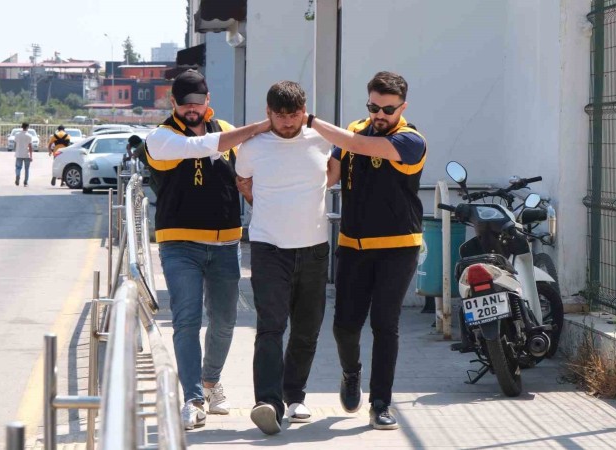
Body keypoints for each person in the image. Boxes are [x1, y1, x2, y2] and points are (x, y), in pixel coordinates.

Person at [144, 69, 271, 431]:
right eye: (185, 104)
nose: (192, 110)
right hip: (179, 244)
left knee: (226, 321)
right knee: (187, 320)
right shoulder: (161, 137)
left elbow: (250, 168)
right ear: (173, 103)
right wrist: (257, 127)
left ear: (208, 101)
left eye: (198, 103)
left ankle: (211, 382)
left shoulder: (225, 130)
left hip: (226, 243)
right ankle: (193, 398)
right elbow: (198, 148)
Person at [305, 71, 427, 430]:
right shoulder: (354, 130)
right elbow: (330, 175)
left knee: (384, 324)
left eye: (387, 109)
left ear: (402, 107)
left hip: (398, 246)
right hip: (353, 245)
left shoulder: (411, 140)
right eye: (373, 107)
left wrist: (312, 121)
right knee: (344, 325)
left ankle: (381, 403)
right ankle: (351, 372)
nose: (379, 115)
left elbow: (360, 146)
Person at [235, 81, 332, 435]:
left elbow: (333, 173)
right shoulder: (252, 146)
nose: (288, 122)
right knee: (270, 326)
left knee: (307, 329)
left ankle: (295, 396)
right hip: (268, 248)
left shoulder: (322, 141)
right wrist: (267, 207)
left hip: (314, 248)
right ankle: (268, 403)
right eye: (280, 115)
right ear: (268, 113)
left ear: (304, 111)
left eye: (294, 115)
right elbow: (243, 182)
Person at [13, 122, 34, 187]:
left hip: (19, 154)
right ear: (27, 127)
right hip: (26, 154)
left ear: (22, 127)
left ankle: (18, 175)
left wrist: (16, 150)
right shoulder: (29, 136)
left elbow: (15, 144)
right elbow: (30, 147)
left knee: (18, 167)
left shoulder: (17, 135)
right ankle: (25, 182)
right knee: (26, 169)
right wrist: (31, 156)